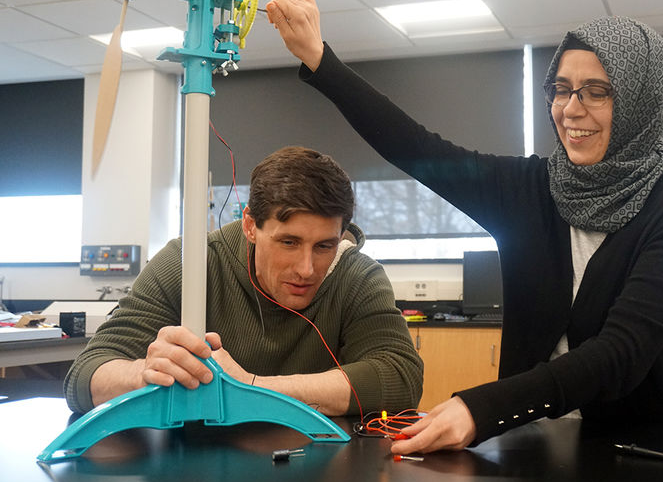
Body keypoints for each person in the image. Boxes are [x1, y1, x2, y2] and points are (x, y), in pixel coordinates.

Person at [266, 0, 663, 454]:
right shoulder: (531, 189)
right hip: (532, 446)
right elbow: (418, 149)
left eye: (597, 92)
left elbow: (620, 354)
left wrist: (480, 409)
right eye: (561, 90)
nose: (570, 109)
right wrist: (321, 60)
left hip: (648, 453)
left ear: (639, 102)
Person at [65, 146, 423, 416]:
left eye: (324, 246)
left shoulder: (358, 276)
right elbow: (84, 376)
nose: (307, 269)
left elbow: (400, 378)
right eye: (289, 242)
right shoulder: (187, 263)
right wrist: (145, 374)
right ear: (251, 225)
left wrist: (250, 388)